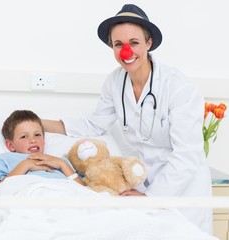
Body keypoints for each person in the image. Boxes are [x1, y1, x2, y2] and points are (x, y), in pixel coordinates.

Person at [42, 4, 212, 234]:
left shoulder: (178, 88)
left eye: (134, 43)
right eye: (118, 44)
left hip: (182, 189)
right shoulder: (115, 82)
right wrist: (38, 123)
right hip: (142, 180)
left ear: (148, 43)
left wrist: (151, 198)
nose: (126, 52)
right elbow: (94, 124)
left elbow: (187, 156)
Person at [0, 110, 83, 191]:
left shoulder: (60, 160)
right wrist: (25, 165)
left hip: (63, 193)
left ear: (44, 140)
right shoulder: (4, 159)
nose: (33, 140)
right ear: (11, 145)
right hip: (29, 194)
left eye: (37, 135)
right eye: (24, 137)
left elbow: (84, 190)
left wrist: (63, 165)